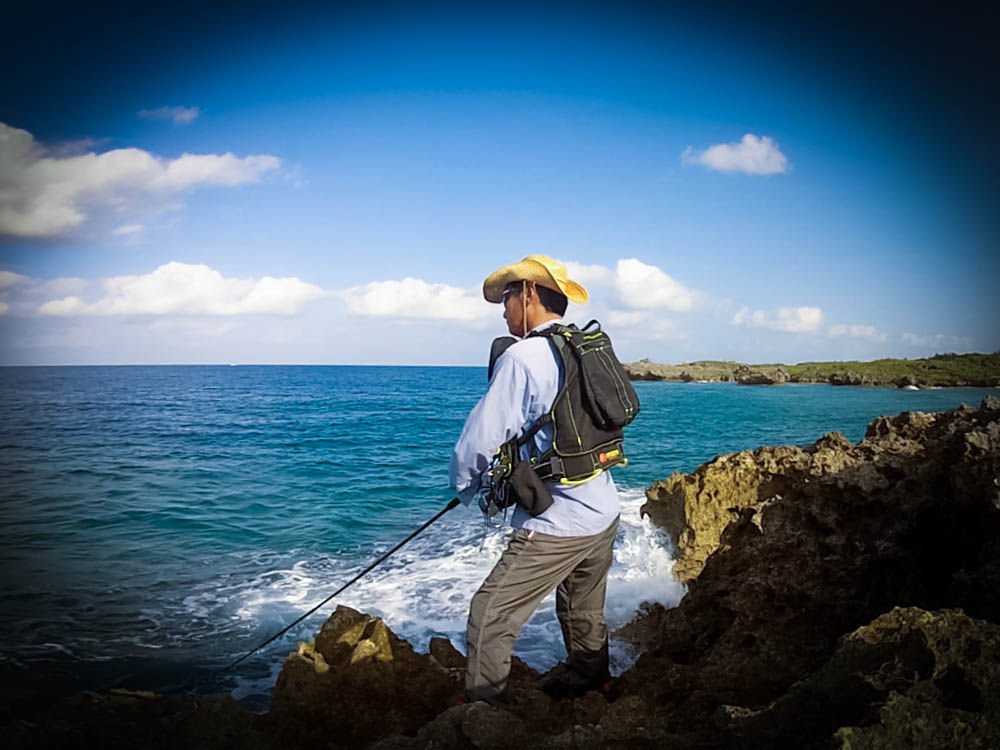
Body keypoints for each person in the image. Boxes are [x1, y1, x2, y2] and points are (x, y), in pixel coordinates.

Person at [449, 254, 621, 705]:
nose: (503, 309)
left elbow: (477, 445)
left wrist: (464, 490)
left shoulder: (523, 358)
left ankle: (482, 714)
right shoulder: (583, 347)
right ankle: (592, 683)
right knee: (583, 607)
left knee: (488, 616)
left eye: (506, 297)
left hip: (560, 523)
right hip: (604, 509)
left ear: (527, 294)